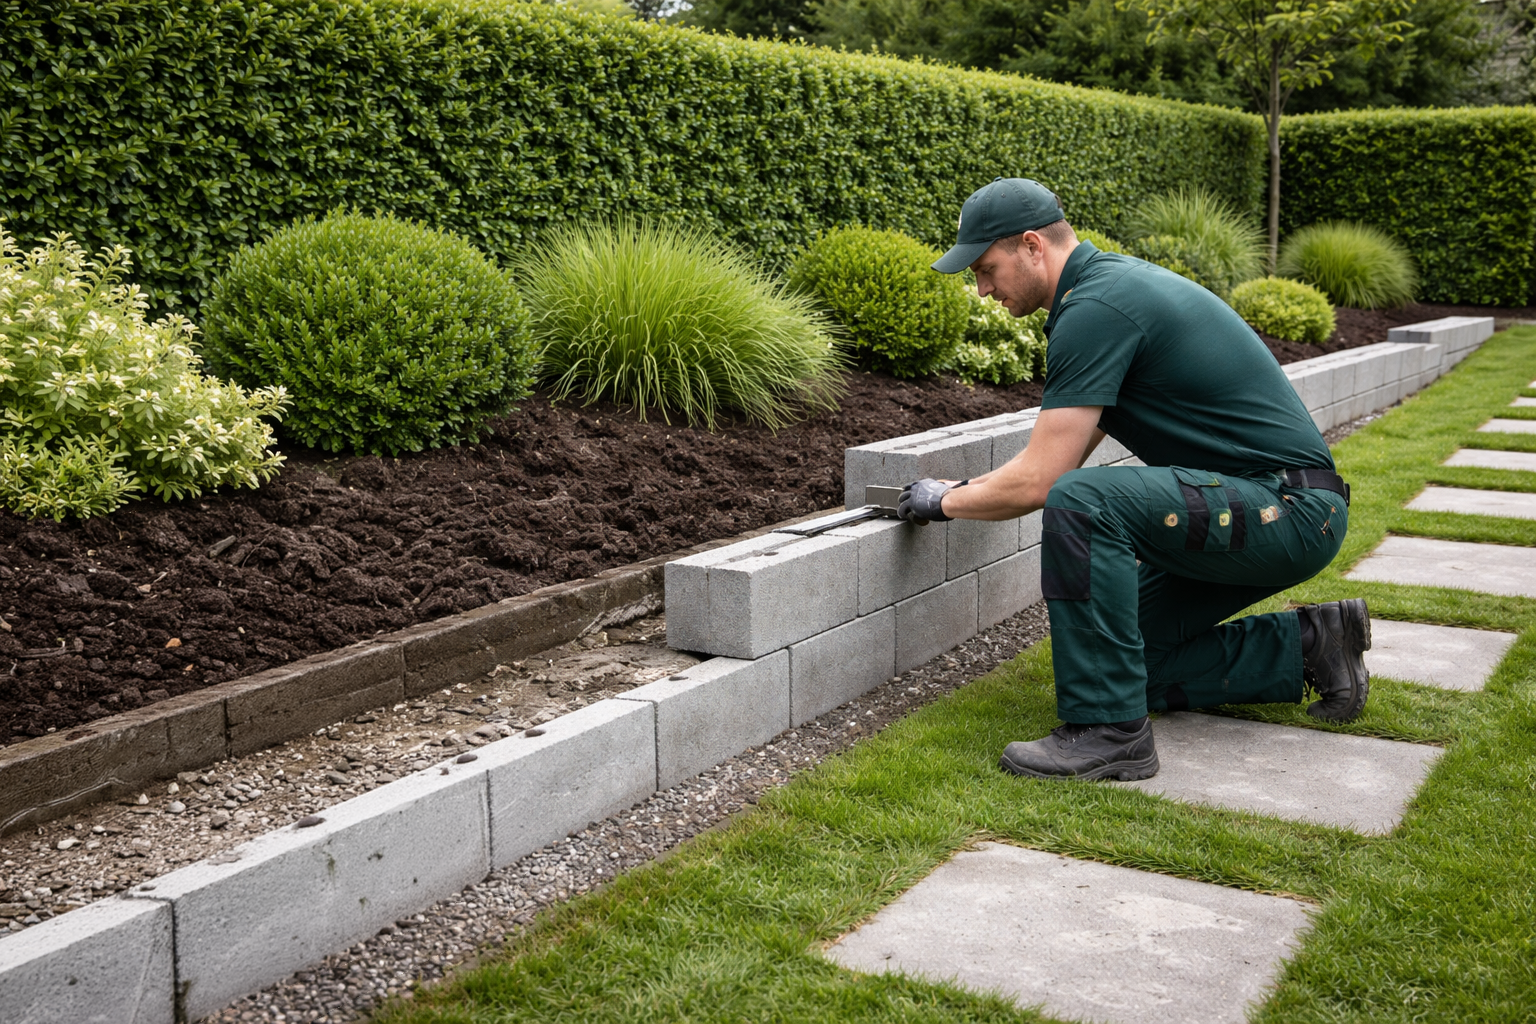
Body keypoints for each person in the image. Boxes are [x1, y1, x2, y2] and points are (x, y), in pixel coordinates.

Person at [899, 177, 1371, 782]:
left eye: (986, 269)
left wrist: (944, 503)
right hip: (1283, 508)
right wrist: (960, 489)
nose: (983, 289)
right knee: (1126, 665)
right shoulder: (1105, 292)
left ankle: (1109, 732)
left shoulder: (1095, 309)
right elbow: (1055, 456)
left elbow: (1044, 482)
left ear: (1032, 246)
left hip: (1287, 509)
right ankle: (1314, 642)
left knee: (1084, 503)